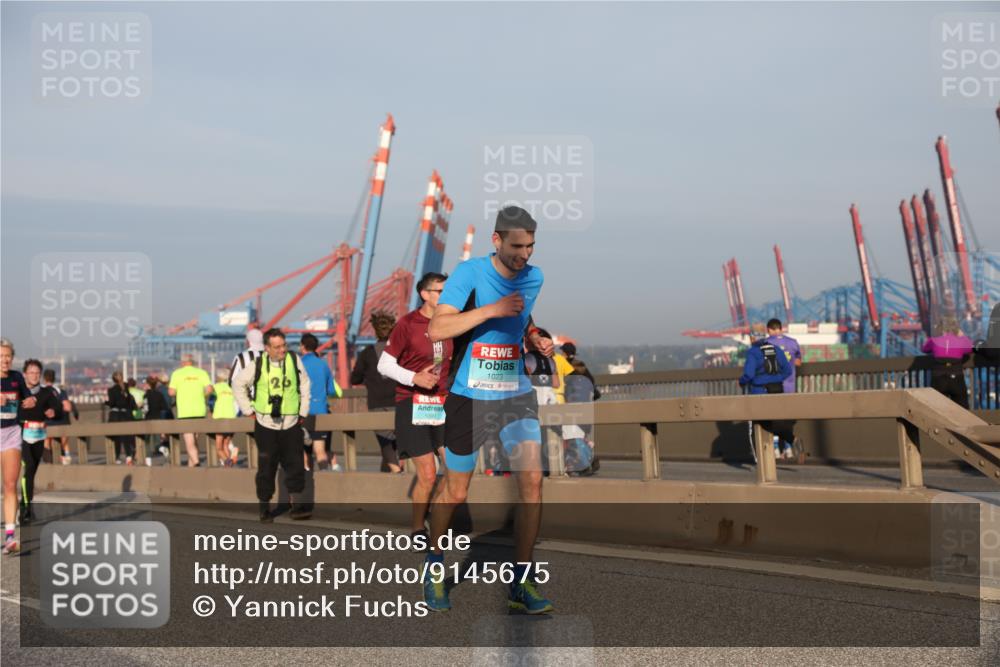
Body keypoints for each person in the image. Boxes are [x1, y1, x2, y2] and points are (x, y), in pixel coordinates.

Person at [424, 205, 554, 614]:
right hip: (470, 393)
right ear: (496, 241)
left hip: (514, 391)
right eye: (517, 246)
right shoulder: (468, 273)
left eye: (531, 246)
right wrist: (491, 311)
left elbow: (522, 310)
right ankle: (434, 567)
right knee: (456, 489)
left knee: (532, 482)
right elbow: (438, 328)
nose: (525, 255)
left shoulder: (535, 276)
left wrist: (532, 336)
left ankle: (520, 581)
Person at [377, 272, 453, 543]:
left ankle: (436, 513)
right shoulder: (408, 324)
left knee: (455, 470)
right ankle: (418, 528)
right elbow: (383, 365)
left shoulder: (453, 322)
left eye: (448, 290)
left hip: (444, 403)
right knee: (429, 473)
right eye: (440, 291)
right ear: (425, 294)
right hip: (413, 402)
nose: (446, 295)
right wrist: (414, 377)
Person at [232, 328, 311, 522]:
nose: (282, 350)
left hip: (291, 422)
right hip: (265, 424)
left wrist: (303, 411)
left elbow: (305, 384)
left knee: (295, 465)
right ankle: (264, 508)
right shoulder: (257, 364)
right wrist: (248, 409)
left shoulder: (294, 360)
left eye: (284, 345)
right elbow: (238, 384)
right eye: (277, 347)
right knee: (266, 466)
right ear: (267, 348)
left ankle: (297, 505)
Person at [350, 311, 401, 473]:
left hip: (376, 403)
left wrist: (368, 377)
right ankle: (396, 471)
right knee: (399, 440)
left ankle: (394, 471)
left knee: (385, 441)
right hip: (399, 401)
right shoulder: (401, 352)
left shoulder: (366, 354)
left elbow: (354, 379)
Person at [738, 333, 794, 461]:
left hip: (760, 392)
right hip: (777, 391)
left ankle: (763, 457)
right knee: (777, 419)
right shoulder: (776, 349)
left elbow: (749, 374)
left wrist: (741, 381)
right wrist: (776, 379)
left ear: (752, 338)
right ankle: (789, 443)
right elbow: (788, 371)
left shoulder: (753, 352)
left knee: (757, 424)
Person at [17, 360, 60, 524]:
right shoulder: (19, 393)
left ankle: (25, 504)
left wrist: (53, 412)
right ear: (24, 374)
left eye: (37, 373)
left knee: (32, 472)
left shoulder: (46, 393)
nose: (34, 375)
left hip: (39, 435)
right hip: (21, 434)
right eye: (31, 372)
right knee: (28, 467)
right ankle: (26, 508)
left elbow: (58, 409)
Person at [1, 339, 33, 554]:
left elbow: (28, 398)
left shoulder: (16, 377)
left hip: (11, 432)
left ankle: (10, 537)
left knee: (10, 484)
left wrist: (30, 401)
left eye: (8, 356)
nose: (5, 360)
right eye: (1, 356)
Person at [298, 333, 343, 472]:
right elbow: (331, 390)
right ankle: (325, 478)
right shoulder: (323, 365)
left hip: (303, 414)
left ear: (303, 346)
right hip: (321, 411)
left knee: (304, 452)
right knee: (320, 450)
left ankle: (307, 484)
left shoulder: (298, 364)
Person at [764, 318, 803, 461]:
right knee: (788, 420)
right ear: (781, 328)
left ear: (769, 330)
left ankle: (775, 449)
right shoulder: (793, 343)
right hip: (790, 387)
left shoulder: (767, 343)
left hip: (774, 387)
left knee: (774, 419)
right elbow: (798, 362)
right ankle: (788, 449)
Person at [168, 354, 214, 467]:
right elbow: (209, 389)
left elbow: (171, 392)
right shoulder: (201, 373)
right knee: (194, 441)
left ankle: (197, 463)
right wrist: (201, 395)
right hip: (199, 410)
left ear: (182, 362)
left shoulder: (177, 374)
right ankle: (191, 468)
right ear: (192, 362)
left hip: (185, 411)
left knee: (189, 442)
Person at [922, 318, 974, 409]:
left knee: (937, 408)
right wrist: (962, 336)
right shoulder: (960, 340)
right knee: (962, 407)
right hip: (956, 375)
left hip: (938, 376)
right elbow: (970, 348)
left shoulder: (934, 339)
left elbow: (924, 349)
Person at [106, 371, 137, 465]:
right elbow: (128, 402)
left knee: (117, 437)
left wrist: (106, 403)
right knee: (126, 436)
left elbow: (112, 403)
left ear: (113, 379)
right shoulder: (126, 387)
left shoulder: (111, 390)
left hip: (116, 416)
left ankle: (117, 457)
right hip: (126, 415)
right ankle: (128, 456)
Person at [42, 369, 73, 465]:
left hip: (48, 423)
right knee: (64, 443)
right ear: (54, 378)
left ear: (44, 378)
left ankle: (49, 463)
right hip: (62, 422)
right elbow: (68, 407)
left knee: (47, 443)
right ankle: (66, 459)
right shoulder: (60, 391)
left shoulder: (41, 391)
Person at [211, 369, 238, 467]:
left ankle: (228, 461)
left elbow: (210, 398)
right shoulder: (232, 387)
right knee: (226, 444)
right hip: (231, 417)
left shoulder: (216, 387)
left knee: (219, 447)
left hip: (220, 418)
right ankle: (229, 465)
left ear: (218, 377)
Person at [144, 376, 171, 458]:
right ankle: (162, 448)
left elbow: (145, 408)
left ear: (148, 384)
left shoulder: (146, 395)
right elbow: (165, 407)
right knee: (157, 439)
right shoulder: (159, 394)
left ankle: (148, 457)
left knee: (147, 439)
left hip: (148, 418)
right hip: (158, 418)